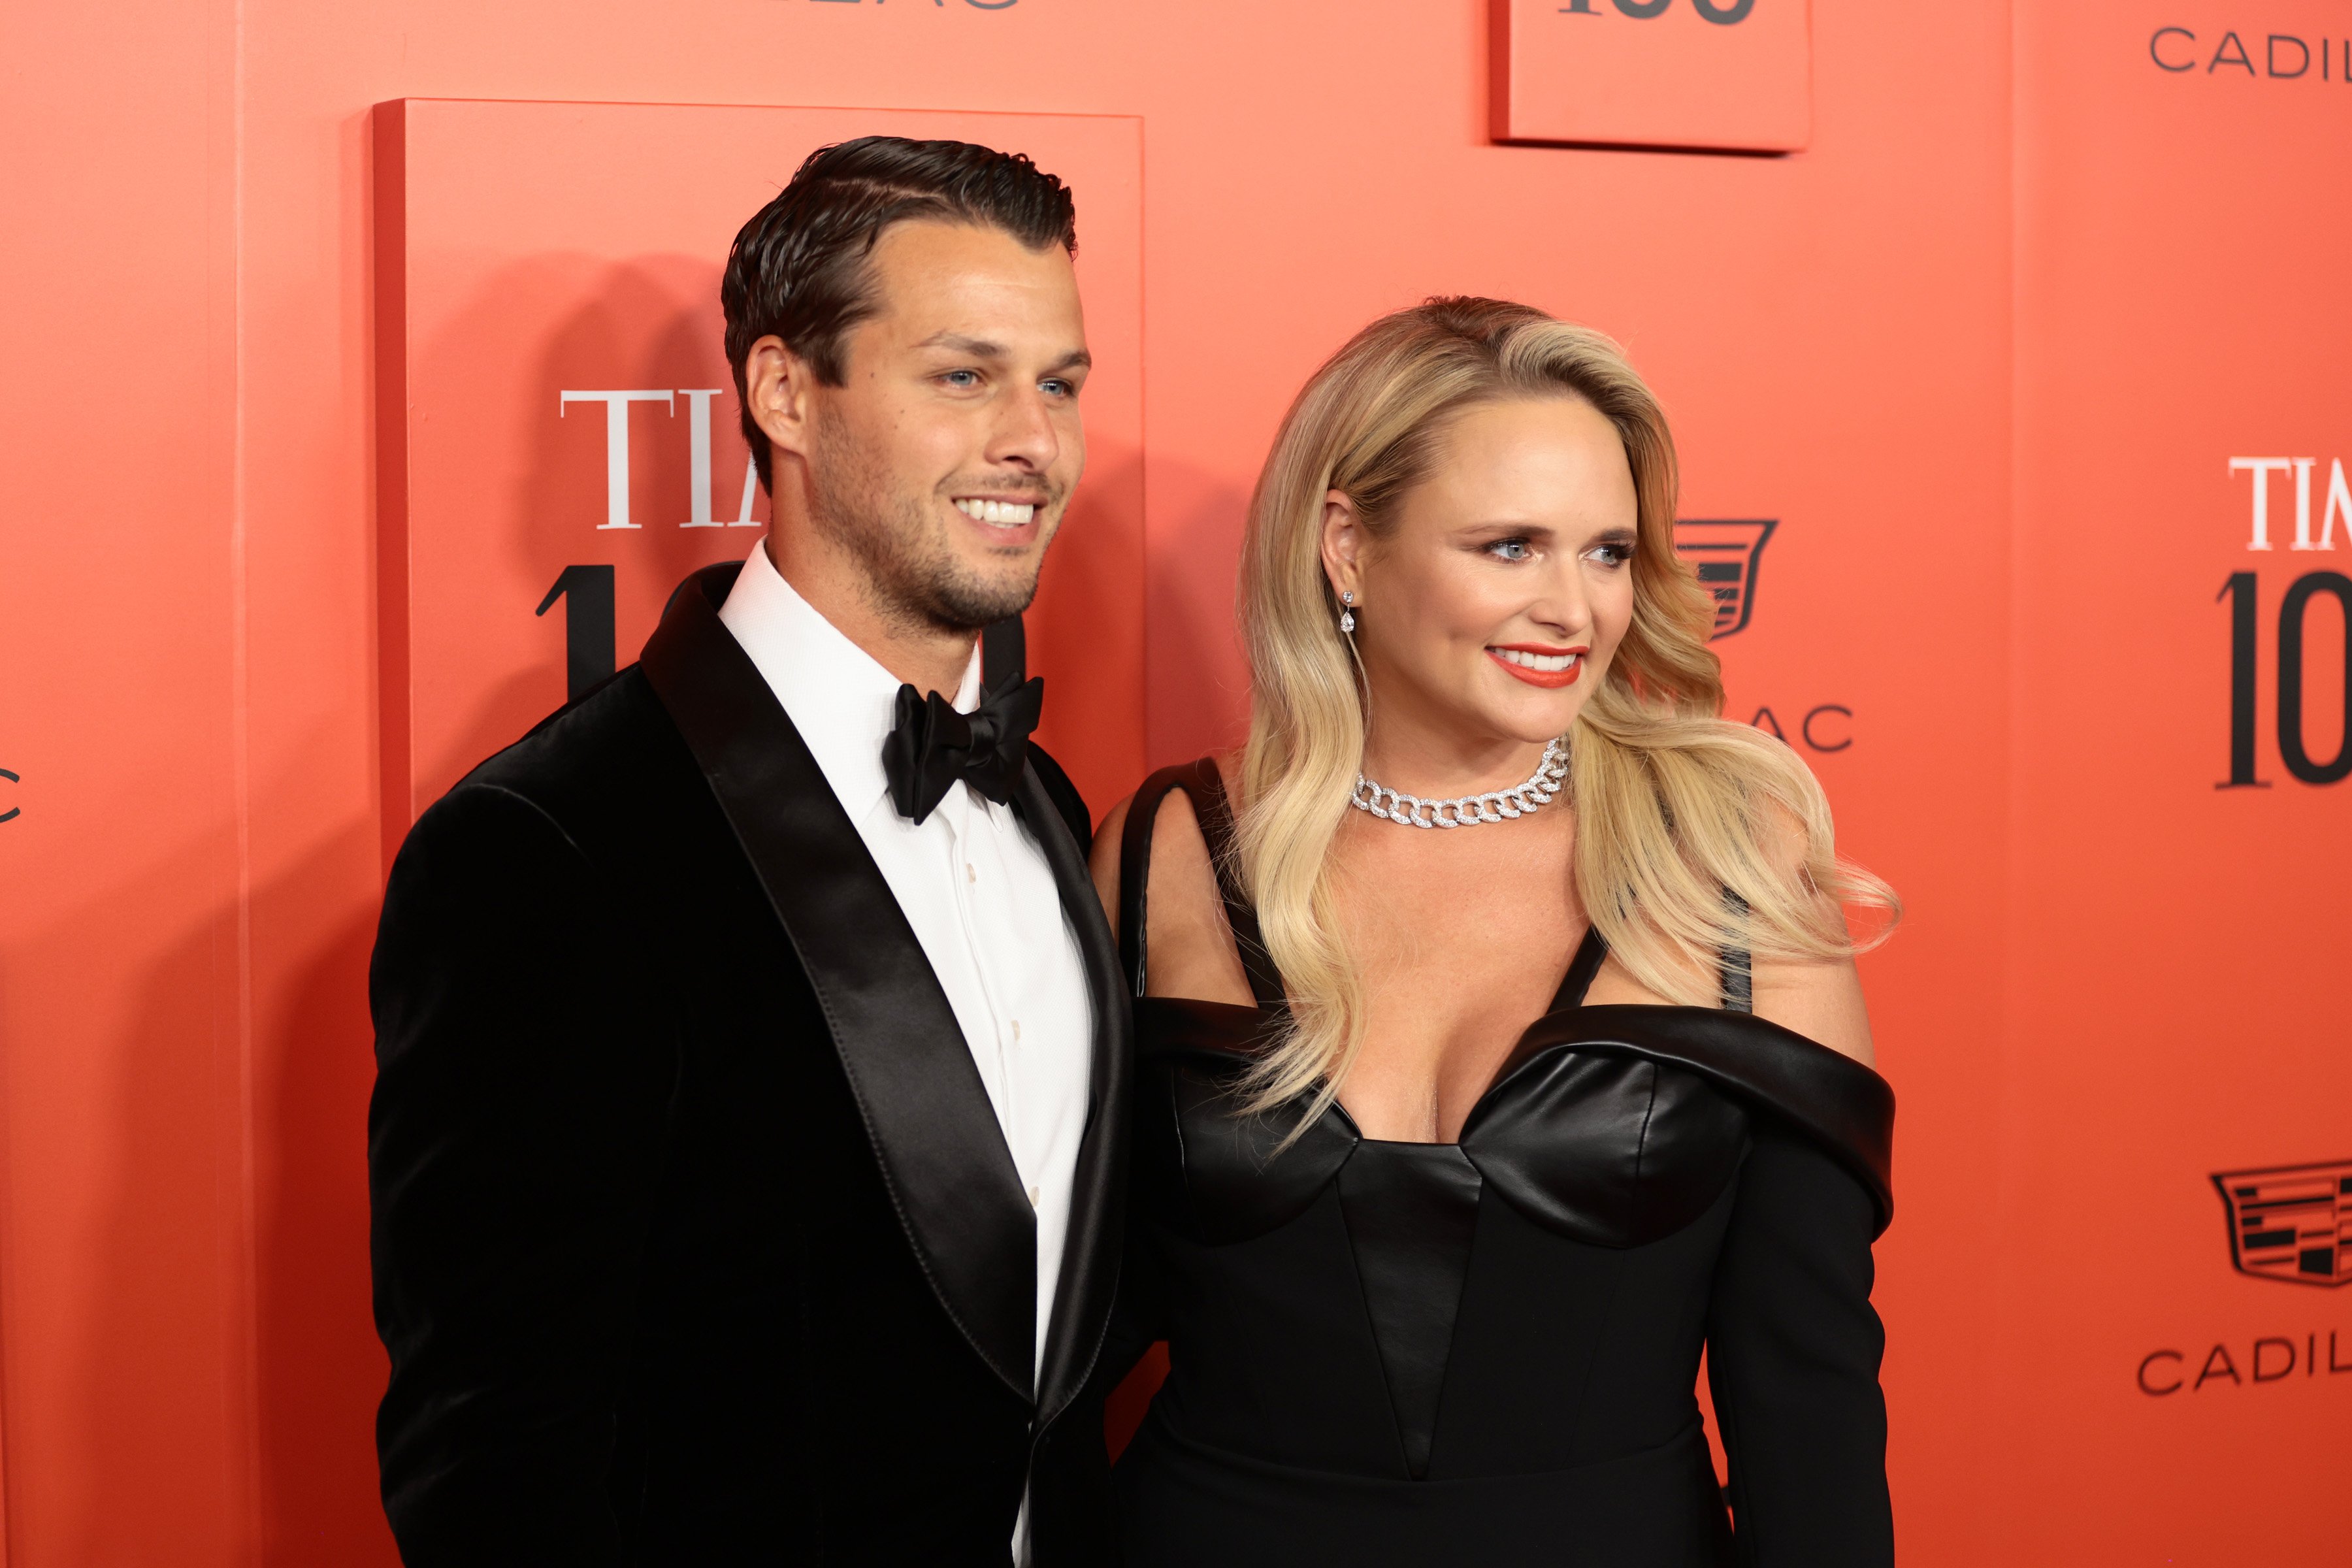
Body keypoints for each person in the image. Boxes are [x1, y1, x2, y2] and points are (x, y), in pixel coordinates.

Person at [367, 137, 1127, 1566]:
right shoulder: (548, 848)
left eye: (1061, 382)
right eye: (964, 377)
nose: (1035, 439)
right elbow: (495, 1466)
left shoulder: (1045, 801)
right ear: (785, 392)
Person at [1090, 297, 1901, 1566]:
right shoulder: (1163, 851)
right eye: (1511, 547)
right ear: (1348, 549)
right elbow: (1063, 1335)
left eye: (1608, 552)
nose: (1574, 609)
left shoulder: (1729, 858)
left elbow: (1809, 1394)